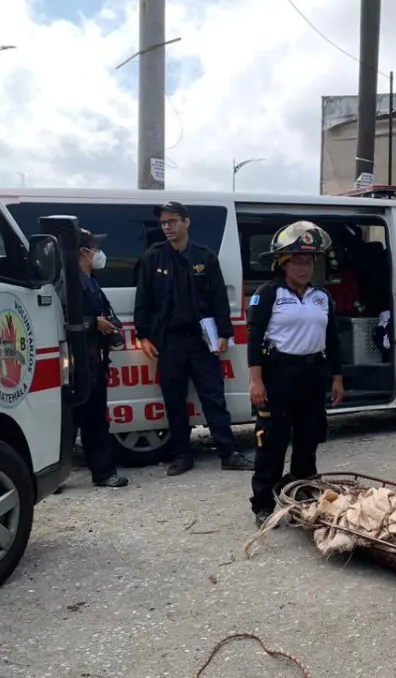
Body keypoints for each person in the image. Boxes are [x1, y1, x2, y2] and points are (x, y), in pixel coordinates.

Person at [133, 201, 253, 476]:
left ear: (187, 222)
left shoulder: (204, 255)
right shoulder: (153, 257)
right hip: (170, 342)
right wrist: (143, 335)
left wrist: (224, 333)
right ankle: (181, 456)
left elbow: (218, 298)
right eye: (163, 223)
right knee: (174, 401)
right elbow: (144, 299)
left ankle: (229, 453)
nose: (167, 226)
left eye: (172, 221)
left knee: (214, 398)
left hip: (201, 341)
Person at [246, 222, 345, 525]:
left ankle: (299, 495)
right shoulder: (267, 295)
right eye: (298, 261)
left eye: (310, 261)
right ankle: (263, 503)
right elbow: (255, 338)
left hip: (313, 376)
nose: (305, 267)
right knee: (271, 442)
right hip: (278, 376)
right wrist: (256, 380)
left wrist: (337, 377)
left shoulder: (322, 297)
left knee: (308, 440)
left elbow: (332, 340)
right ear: (283, 263)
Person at [74, 228, 129, 488]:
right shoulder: (69, 281)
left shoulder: (91, 280)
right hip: (77, 363)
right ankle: (58, 474)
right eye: (95, 248)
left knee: (96, 418)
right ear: (83, 252)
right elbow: (61, 319)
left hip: (94, 360)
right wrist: (93, 323)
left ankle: (104, 472)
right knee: (74, 420)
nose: (99, 253)